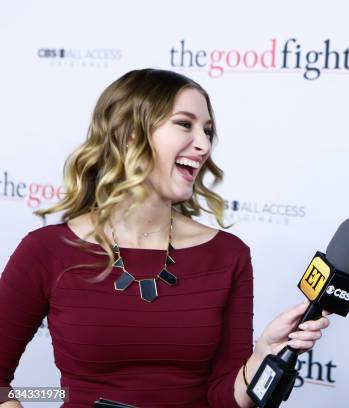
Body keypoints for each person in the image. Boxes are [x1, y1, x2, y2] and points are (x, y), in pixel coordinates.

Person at [0, 69, 329, 408]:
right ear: (129, 133)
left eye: (208, 130)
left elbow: (223, 399)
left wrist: (262, 353)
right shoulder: (46, 251)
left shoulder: (228, 255)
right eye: (185, 124)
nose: (203, 145)